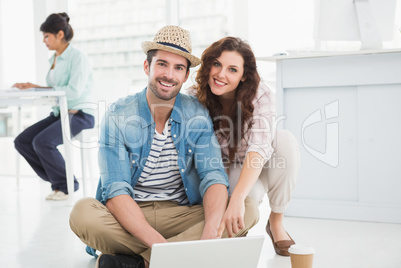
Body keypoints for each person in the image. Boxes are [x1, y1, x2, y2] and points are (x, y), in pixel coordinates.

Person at [69, 26, 259, 268]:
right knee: (82, 213)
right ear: (147, 66)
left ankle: (137, 263)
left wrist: (211, 231)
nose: (169, 75)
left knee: (247, 209)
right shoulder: (118, 114)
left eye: (178, 68)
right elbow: (116, 193)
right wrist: (164, 249)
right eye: (162, 64)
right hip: (130, 212)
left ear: (186, 75)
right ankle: (180, 256)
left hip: (180, 213)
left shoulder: (196, 113)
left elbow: (213, 177)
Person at [193, 37, 300, 256]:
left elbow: (260, 148)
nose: (221, 74)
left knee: (285, 141)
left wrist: (237, 199)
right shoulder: (195, 97)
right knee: (243, 201)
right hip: (223, 167)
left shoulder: (260, 94)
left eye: (232, 69)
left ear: (243, 76)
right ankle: (236, 233)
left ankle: (276, 221)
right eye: (217, 64)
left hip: (259, 161)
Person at [13, 12, 95, 201]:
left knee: (42, 142)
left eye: (46, 36)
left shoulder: (77, 57)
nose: (44, 41)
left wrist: (40, 88)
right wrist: (35, 88)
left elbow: (74, 91)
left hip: (80, 114)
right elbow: (55, 90)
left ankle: (66, 185)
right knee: (22, 141)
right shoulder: (54, 60)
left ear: (59, 34)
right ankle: (58, 179)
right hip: (61, 113)